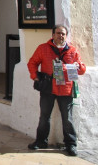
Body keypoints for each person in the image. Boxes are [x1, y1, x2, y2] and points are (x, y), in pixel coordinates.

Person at [27, 24, 86, 156]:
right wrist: (35, 76)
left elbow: (82, 70)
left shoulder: (72, 50)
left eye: (63, 34)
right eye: (58, 33)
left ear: (66, 36)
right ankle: (41, 141)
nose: (60, 36)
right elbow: (32, 63)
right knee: (44, 117)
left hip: (66, 89)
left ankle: (71, 144)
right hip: (48, 87)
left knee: (67, 119)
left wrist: (78, 66)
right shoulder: (43, 48)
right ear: (53, 35)